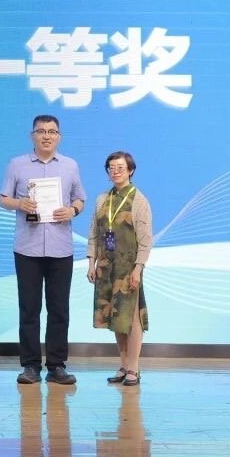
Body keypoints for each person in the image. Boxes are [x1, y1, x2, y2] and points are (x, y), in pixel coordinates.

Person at [0, 114, 86, 386]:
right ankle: (30, 366)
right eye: (41, 131)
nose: (47, 136)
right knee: (29, 310)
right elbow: (2, 199)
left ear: (59, 136)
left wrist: (72, 210)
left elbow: (80, 199)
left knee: (59, 310)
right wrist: (20, 204)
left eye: (52, 131)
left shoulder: (70, 166)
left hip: (61, 248)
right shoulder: (17, 164)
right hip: (28, 248)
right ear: (32, 135)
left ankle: (57, 365)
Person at [87, 151, 153, 387]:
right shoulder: (102, 199)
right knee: (115, 316)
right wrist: (91, 262)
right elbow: (94, 233)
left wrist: (138, 269)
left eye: (120, 167)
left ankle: (134, 368)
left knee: (131, 318)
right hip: (106, 267)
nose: (115, 172)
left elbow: (145, 240)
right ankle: (123, 365)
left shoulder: (139, 200)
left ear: (130, 171)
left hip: (128, 267)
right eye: (111, 168)